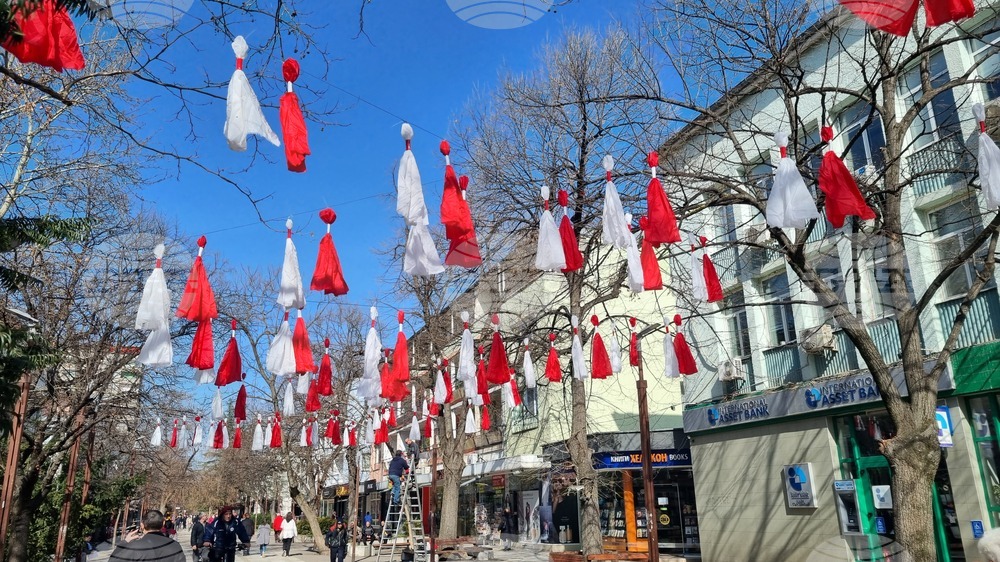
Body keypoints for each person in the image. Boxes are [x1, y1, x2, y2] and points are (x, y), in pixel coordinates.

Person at [109, 510, 186, 562]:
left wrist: (124, 543)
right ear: (163, 524)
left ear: (142, 525)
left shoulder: (135, 546)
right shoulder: (175, 546)